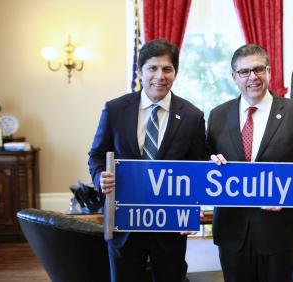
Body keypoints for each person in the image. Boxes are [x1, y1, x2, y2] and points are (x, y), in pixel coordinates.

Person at [88, 38, 206, 282]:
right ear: (139, 71)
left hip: (171, 225)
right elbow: (97, 155)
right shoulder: (115, 109)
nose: (159, 76)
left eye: (167, 69)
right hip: (125, 222)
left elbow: (198, 167)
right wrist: (101, 176)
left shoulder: (193, 116)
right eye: (152, 68)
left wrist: (192, 211)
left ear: (175, 73)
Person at [206, 44, 293, 282]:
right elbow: (203, 162)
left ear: (269, 72)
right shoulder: (217, 115)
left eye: (259, 69)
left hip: (278, 232)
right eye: (244, 72)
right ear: (234, 77)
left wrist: (287, 196)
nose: (253, 77)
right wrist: (209, 162)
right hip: (231, 233)